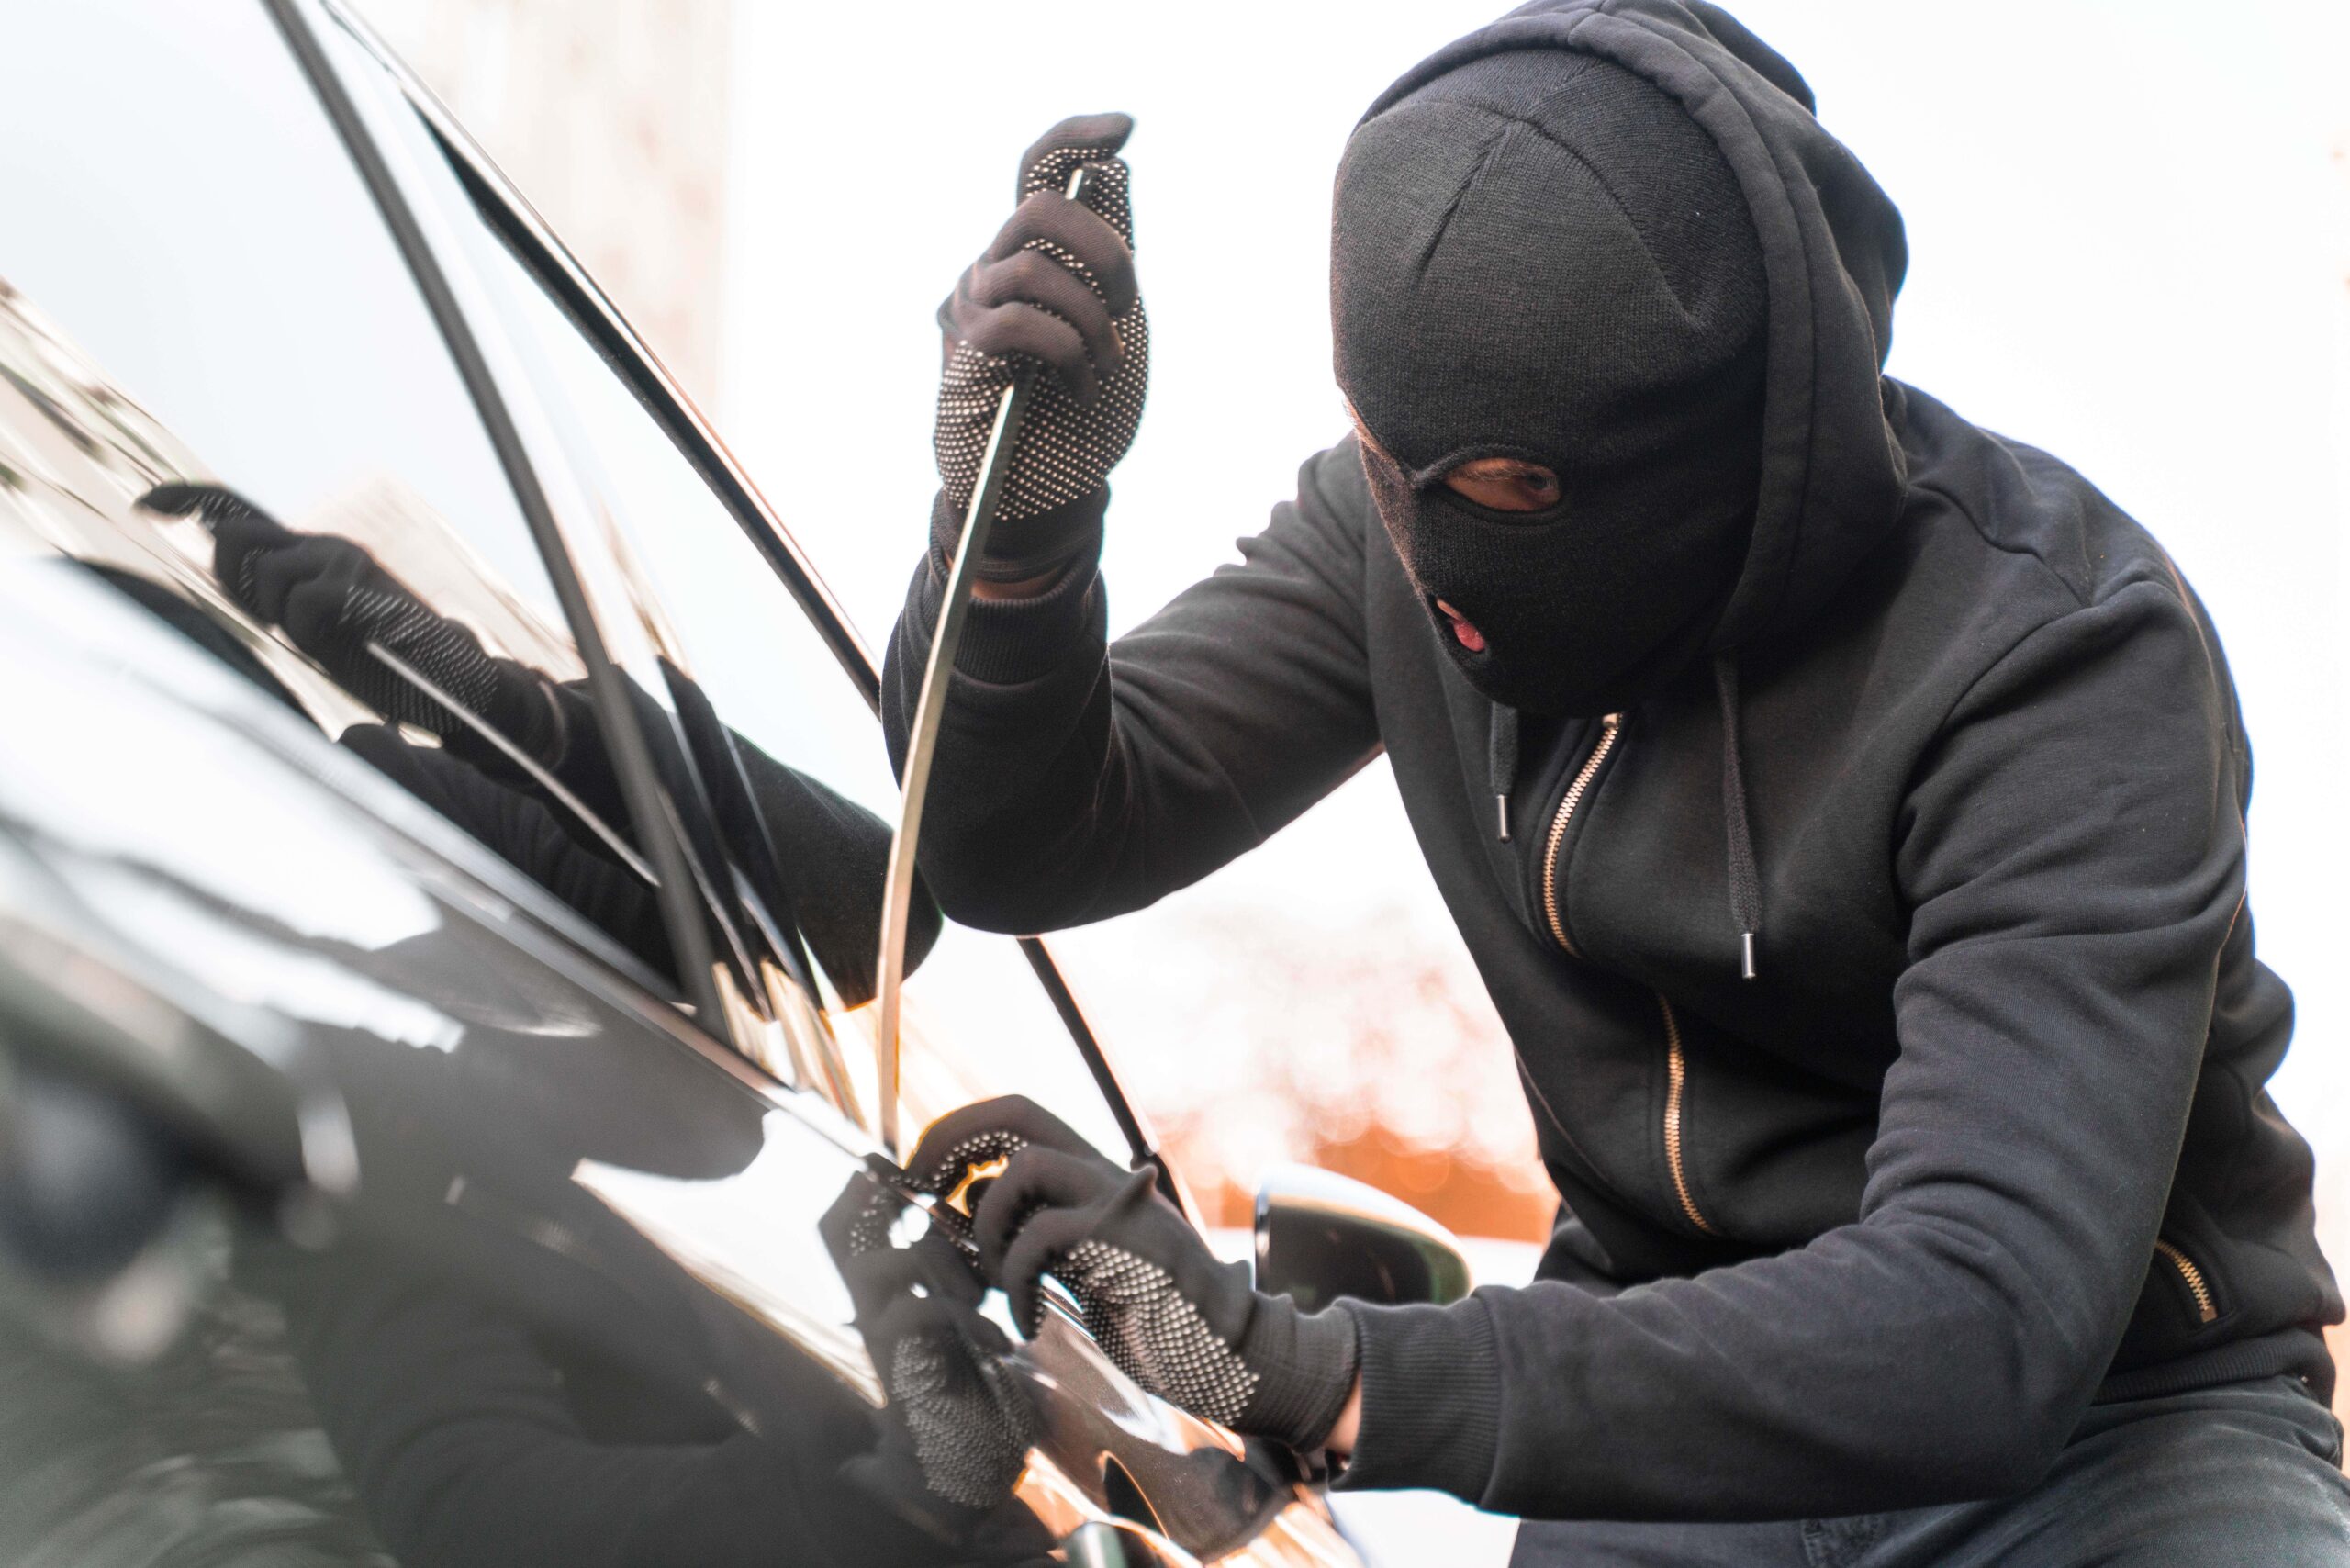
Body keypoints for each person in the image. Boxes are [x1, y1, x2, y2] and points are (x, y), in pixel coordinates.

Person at [880, 2, 2350, 1562]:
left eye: (1510, 486)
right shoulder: (1394, 531)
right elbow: (1022, 844)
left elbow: (1984, 1316)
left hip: (2111, 1441)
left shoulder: (2057, 651)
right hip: (1654, 1396)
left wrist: (1313, 1372)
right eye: (1389, 456)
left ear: (1728, 429)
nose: (1438, 556)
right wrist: (1023, 540)